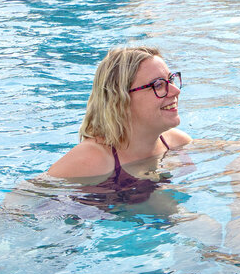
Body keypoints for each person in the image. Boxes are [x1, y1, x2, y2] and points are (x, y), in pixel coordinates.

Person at [46, 45, 192, 201]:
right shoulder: (93, 158)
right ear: (120, 100)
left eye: (171, 79)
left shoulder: (176, 143)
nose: (176, 90)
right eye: (158, 85)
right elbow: (23, 203)